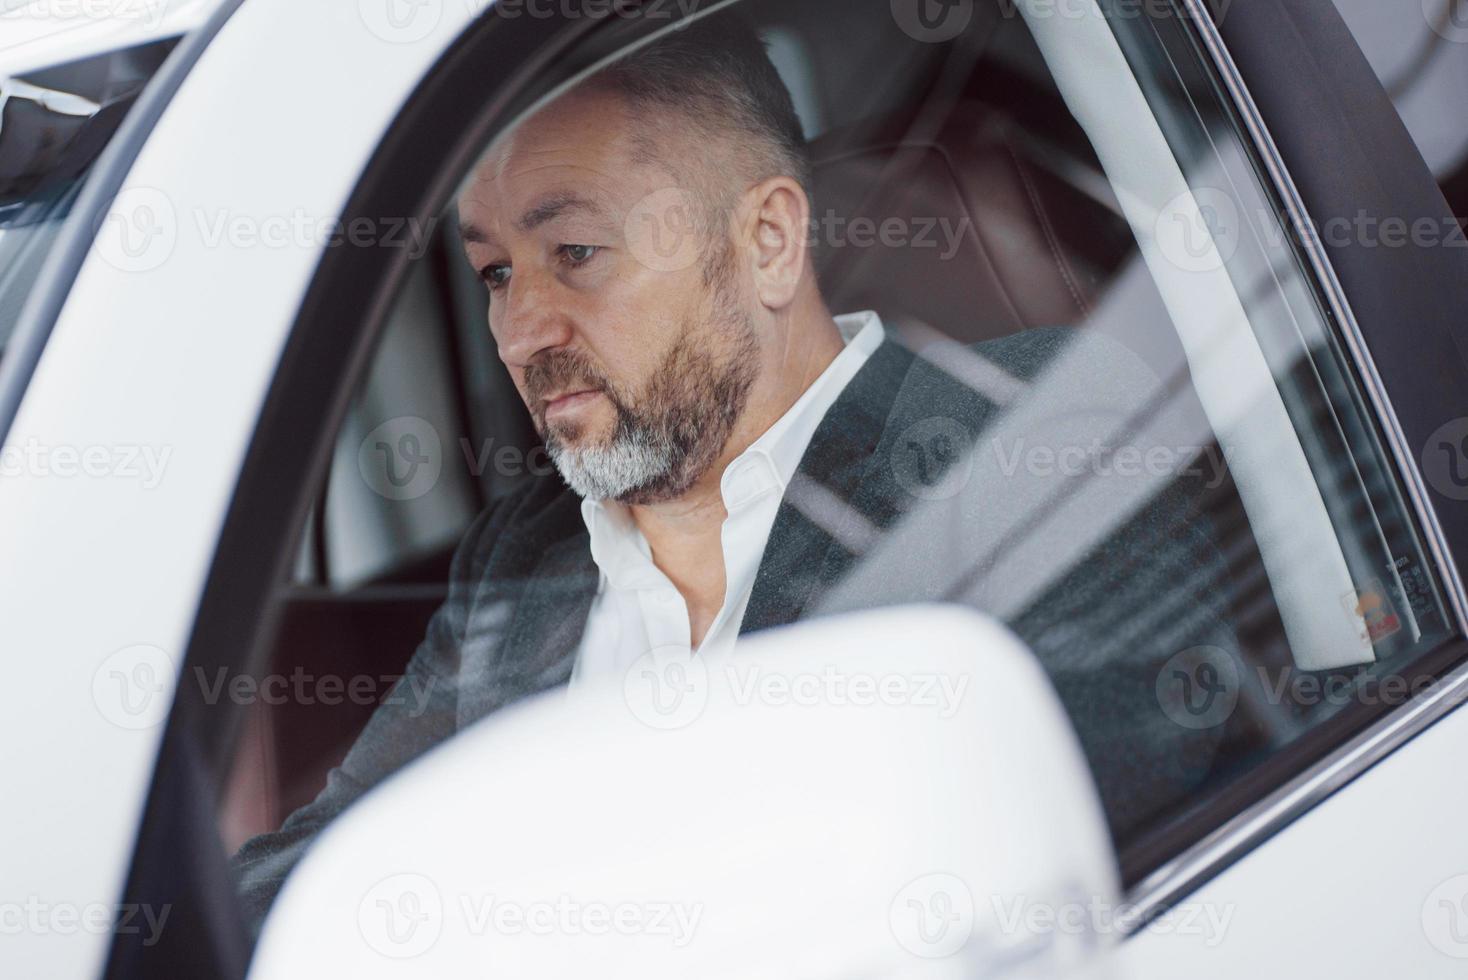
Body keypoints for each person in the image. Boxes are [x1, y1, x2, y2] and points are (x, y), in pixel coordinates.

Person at [233, 16, 1234, 930]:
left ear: (765, 241)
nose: (519, 330)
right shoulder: (524, 552)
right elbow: (312, 869)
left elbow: (1110, 816)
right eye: (497, 272)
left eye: (574, 250)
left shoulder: (1031, 439)